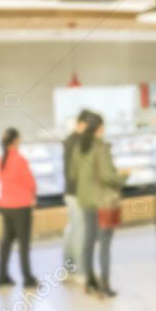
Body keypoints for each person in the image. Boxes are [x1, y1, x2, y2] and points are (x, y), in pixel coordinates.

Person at [70, 113, 128, 298]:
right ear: (100, 128)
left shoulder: (78, 147)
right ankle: (105, 285)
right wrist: (124, 176)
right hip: (102, 201)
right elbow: (108, 177)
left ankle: (90, 281)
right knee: (104, 243)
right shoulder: (101, 147)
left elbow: (73, 175)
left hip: (85, 200)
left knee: (88, 240)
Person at [0, 128, 39, 288]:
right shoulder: (20, 160)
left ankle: (2, 276)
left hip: (5, 205)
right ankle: (28, 278)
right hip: (21, 206)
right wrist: (33, 196)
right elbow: (30, 183)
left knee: (6, 241)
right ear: (16, 140)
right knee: (24, 243)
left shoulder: (1, 160)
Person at [62, 110, 92, 274]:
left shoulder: (69, 140)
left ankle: (69, 269)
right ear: (82, 124)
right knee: (79, 232)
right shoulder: (78, 142)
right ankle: (80, 273)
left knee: (72, 230)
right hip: (78, 193)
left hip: (70, 192)